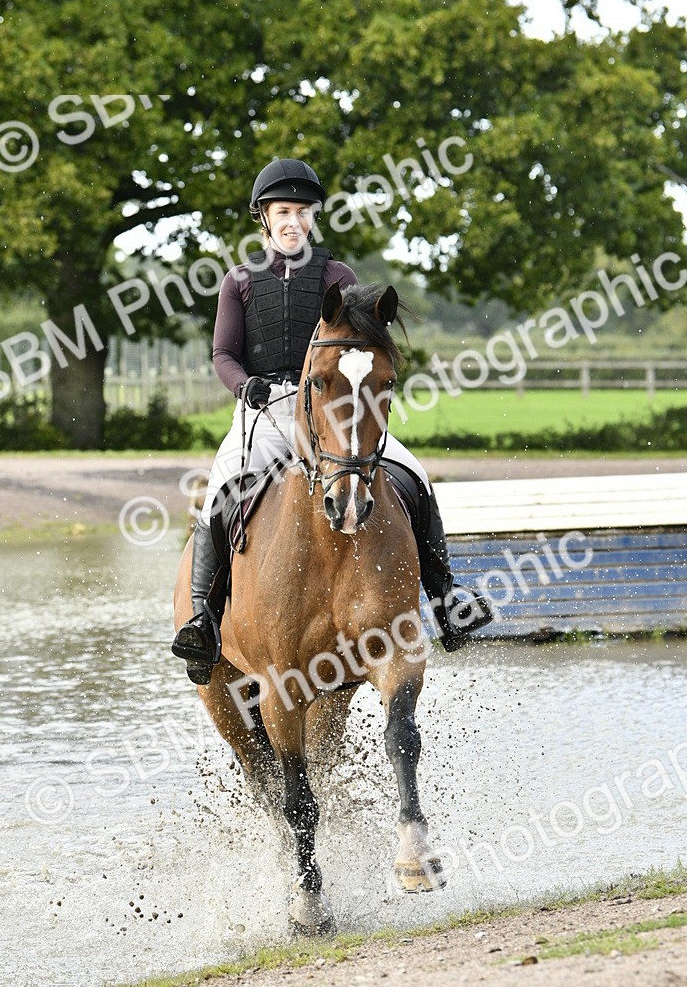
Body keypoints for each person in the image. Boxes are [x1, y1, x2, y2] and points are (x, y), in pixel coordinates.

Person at [172, 158, 493, 682]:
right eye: (282, 212)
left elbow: (361, 344)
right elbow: (222, 354)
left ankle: (445, 597)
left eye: (301, 212)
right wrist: (243, 386)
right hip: (265, 411)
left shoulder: (337, 276)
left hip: (335, 409)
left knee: (414, 474)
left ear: (313, 217)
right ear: (265, 218)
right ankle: (204, 622)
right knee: (221, 492)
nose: (292, 221)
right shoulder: (239, 281)